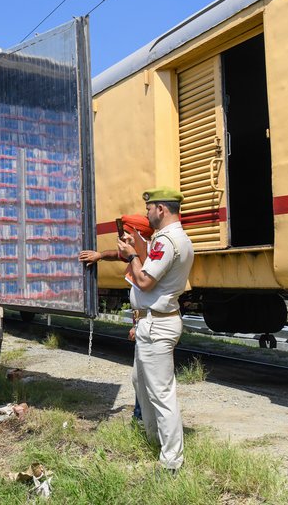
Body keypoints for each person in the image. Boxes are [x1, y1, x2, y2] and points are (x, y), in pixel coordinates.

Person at [117, 188, 194, 474]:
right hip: (153, 321)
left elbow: (145, 281)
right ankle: (154, 440)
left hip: (157, 324)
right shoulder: (176, 239)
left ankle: (171, 461)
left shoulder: (167, 241)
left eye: (149, 208)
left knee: (161, 393)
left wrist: (131, 256)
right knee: (140, 381)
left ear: (161, 209)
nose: (146, 213)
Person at [79, 214, 154, 420]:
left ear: (138, 235)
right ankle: (141, 418)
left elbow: (151, 296)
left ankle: (145, 420)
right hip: (144, 323)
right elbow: (116, 254)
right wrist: (100, 255)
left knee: (148, 378)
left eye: (126, 235)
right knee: (139, 376)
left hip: (151, 324)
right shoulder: (136, 253)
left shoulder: (148, 257)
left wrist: (140, 324)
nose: (121, 240)